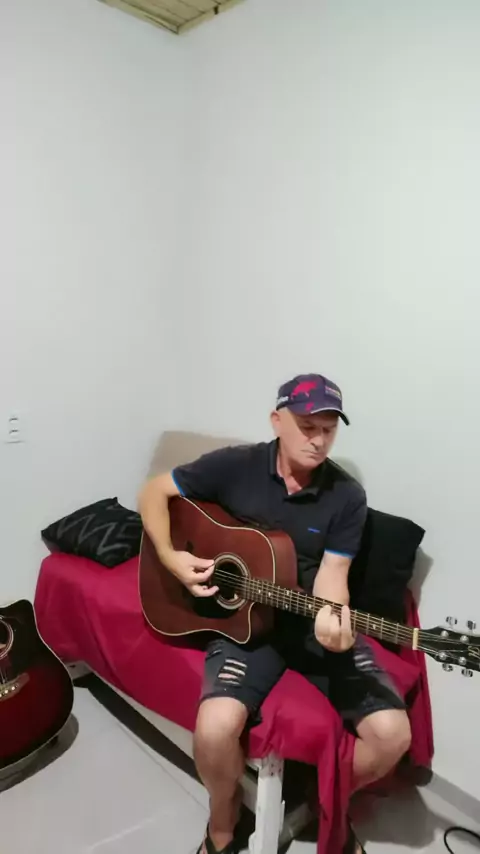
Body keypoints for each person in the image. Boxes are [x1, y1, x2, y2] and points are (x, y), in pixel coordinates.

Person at [139, 374, 411, 854]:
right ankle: (223, 818)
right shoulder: (235, 466)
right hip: (244, 625)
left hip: (306, 622)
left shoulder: (346, 496)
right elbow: (154, 492)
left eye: (328, 430)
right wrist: (169, 555)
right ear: (276, 421)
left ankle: (324, 800)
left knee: (392, 736)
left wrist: (335, 621)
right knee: (214, 728)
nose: (318, 440)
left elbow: (334, 575)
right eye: (307, 427)